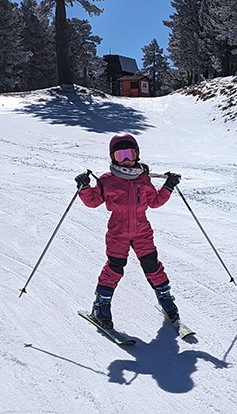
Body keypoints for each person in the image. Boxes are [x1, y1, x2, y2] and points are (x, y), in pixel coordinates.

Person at [75, 133, 182, 330]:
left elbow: (155, 202)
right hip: (118, 232)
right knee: (115, 267)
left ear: (137, 155)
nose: (125, 160)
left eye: (129, 154)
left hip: (142, 231)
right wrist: (84, 188)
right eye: (120, 155)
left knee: (152, 265)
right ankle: (101, 304)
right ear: (112, 157)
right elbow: (93, 202)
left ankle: (165, 297)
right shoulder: (107, 180)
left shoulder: (143, 179)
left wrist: (167, 187)